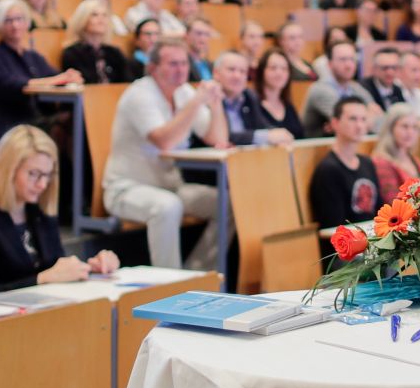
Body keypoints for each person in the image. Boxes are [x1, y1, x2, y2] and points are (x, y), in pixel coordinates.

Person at [103, 37, 228, 269]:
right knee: (167, 207)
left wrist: (216, 104)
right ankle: (171, 283)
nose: (181, 70)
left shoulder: (185, 93)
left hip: (171, 187)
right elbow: (164, 141)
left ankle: (196, 274)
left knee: (226, 204)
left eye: (184, 63)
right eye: (173, 64)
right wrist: (197, 101)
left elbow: (217, 139)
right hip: (127, 188)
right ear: (153, 68)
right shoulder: (140, 94)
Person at [0, 126, 118, 295]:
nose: (42, 185)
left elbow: (57, 268)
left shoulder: (40, 214)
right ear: (8, 171)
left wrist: (89, 268)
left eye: (47, 175)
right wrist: (43, 278)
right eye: (34, 174)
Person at [0, 0, 81, 147]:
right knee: (68, 123)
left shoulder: (32, 56)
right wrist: (56, 80)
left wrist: (70, 77)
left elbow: (54, 76)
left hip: (38, 118)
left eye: (19, 19)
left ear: (27, 22)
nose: (15, 25)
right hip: (14, 123)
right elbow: (11, 85)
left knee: (78, 118)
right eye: (8, 20)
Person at [309, 98, 381, 228]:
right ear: (335, 123)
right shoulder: (328, 170)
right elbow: (333, 225)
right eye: (353, 119)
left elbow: (379, 211)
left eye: (363, 119)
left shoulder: (367, 163)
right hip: (348, 239)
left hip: (373, 235)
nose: (359, 126)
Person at [208, 51, 292, 147]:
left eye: (242, 71)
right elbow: (223, 138)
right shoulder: (208, 98)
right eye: (231, 69)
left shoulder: (249, 96)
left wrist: (277, 133)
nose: (237, 76)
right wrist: (266, 136)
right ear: (216, 73)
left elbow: (262, 126)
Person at [302, 41, 381, 137]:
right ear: (329, 64)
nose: (348, 65)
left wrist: (365, 120)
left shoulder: (356, 88)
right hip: (316, 145)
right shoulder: (320, 89)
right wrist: (369, 116)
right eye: (343, 59)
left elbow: (381, 121)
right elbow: (346, 125)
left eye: (352, 59)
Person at [61, 0, 130, 84]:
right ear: (83, 19)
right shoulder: (72, 53)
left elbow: (127, 81)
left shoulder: (114, 52)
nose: (101, 19)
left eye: (104, 15)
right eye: (94, 14)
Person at [372, 104, 420, 201]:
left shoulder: (414, 159)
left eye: (414, 127)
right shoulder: (381, 162)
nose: (410, 132)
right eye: (404, 126)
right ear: (391, 129)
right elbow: (392, 201)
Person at [251, 48, 306, 139]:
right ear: (262, 71)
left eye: (284, 69)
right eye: (273, 68)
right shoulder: (253, 105)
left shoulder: (288, 106)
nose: (279, 73)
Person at [362, 44, 407, 110]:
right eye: (385, 68)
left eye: (394, 68)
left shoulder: (397, 89)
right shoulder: (363, 89)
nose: (390, 72)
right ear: (374, 69)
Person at [183, 17, 217, 83]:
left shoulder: (211, 65)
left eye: (207, 34)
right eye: (198, 33)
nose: (203, 38)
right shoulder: (181, 64)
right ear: (186, 35)